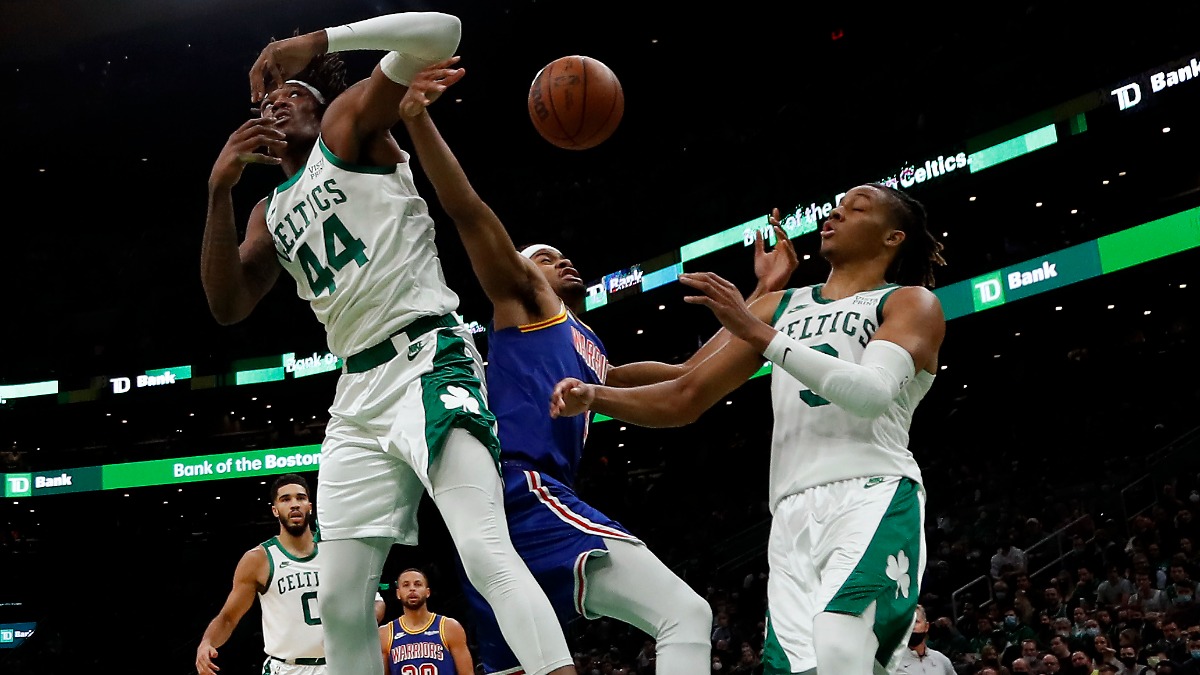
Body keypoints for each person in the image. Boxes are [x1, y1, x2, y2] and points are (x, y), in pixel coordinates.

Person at [200, 10, 578, 675]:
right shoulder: (269, 209)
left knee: (484, 548)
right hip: (356, 394)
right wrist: (218, 194)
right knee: (343, 599)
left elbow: (445, 30)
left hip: (427, 358)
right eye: (269, 100)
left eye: (292, 93)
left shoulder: (349, 126)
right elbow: (227, 306)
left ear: (321, 103)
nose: (277, 102)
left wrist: (316, 43)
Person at [393, 59, 799, 675]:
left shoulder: (592, 353)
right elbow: (470, 212)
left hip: (502, 514)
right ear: (525, 270)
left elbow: (689, 374)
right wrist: (420, 121)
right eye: (548, 256)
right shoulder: (523, 303)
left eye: (563, 255)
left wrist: (767, 291)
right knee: (685, 616)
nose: (563, 261)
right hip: (520, 490)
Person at [550, 182, 948, 675]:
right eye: (836, 207)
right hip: (790, 510)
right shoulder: (778, 307)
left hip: (873, 493)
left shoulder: (910, 303)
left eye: (856, 209)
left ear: (893, 238)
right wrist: (596, 392)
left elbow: (869, 394)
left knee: (842, 645)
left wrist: (756, 327)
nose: (835, 214)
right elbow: (684, 392)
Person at [194, 474, 387, 675]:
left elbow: (376, 602)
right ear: (275, 510)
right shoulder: (259, 559)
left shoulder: (338, 550)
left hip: (340, 665)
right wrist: (207, 642)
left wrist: (358, 624)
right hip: (287, 668)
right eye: (286, 499)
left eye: (301, 498)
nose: (294, 504)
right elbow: (228, 617)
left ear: (310, 506)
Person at [379, 568, 473, 675]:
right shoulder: (385, 633)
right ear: (398, 593)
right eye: (406, 585)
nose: (412, 589)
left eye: (418, 584)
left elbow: (467, 673)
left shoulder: (449, 627)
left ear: (427, 592)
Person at [898, 605, 955, 675]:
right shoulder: (893, 663)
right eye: (908, 622)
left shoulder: (942, 660)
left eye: (916, 621)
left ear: (926, 626)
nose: (911, 626)